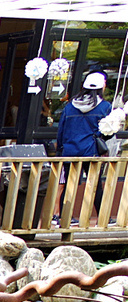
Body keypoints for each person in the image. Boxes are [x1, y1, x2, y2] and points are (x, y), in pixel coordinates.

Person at [56, 71, 113, 222]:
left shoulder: (70, 106)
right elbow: (107, 132)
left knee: (69, 185)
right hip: (91, 151)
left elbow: (61, 130)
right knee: (95, 186)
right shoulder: (104, 107)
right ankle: (103, 218)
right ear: (101, 87)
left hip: (70, 151)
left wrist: (60, 150)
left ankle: (65, 218)